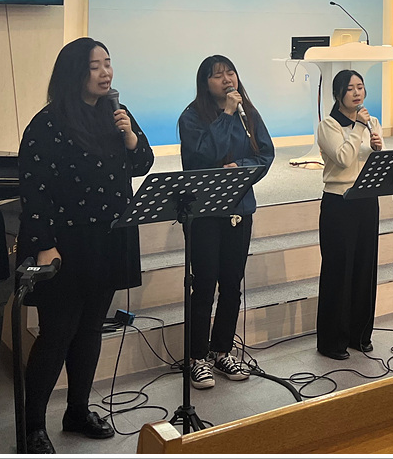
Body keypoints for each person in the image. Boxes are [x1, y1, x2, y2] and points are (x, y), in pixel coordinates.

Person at [17, 38, 154, 454]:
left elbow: (142, 163)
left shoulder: (117, 114)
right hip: (64, 243)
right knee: (57, 333)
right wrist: (44, 245)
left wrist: (130, 136)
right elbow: (34, 191)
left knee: (91, 328)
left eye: (108, 63)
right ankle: (31, 426)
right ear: (74, 72)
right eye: (95, 66)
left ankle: (76, 410)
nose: (105, 72)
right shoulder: (47, 123)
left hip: (109, 237)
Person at [177, 55, 275, 389]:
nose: (226, 80)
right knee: (204, 284)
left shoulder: (250, 113)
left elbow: (265, 154)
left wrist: (243, 169)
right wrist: (228, 114)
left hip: (239, 207)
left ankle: (222, 351)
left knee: (232, 284)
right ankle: (196, 357)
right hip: (205, 212)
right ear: (205, 83)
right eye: (217, 76)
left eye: (230, 73)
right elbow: (206, 155)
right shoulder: (191, 117)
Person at [315, 69, 384, 360]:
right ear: (338, 94)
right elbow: (343, 159)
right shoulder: (328, 125)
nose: (357, 93)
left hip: (366, 199)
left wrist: (378, 148)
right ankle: (333, 341)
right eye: (350, 88)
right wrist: (358, 127)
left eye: (360, 87)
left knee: (365, 268)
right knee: (339, 270)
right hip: (339, 201)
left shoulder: (372, 122)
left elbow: (376, 161)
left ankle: (360, 334)